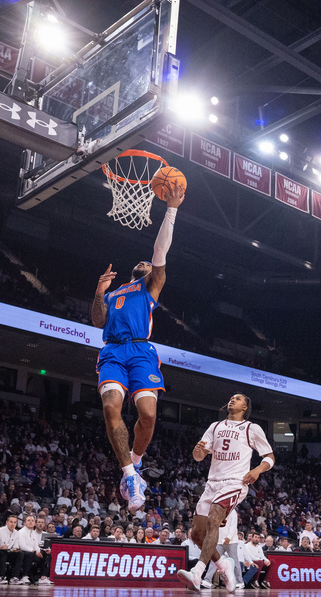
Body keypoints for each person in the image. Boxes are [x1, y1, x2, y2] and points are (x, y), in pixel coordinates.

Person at [91, 182, 186, 513]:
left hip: (141, 351)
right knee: (109, 407)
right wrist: (99, 291)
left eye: (152, 265)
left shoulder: (150, 286)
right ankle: (129, 476)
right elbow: (96, 320)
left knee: (148, 414)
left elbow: (161, 252)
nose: (149, 263)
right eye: (144, 263)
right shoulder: (116, 293)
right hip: (113, 351)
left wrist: (171, 209)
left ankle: (136, 461)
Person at [175, 394, 275, 593]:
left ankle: (197, 573)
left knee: (214, 519)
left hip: (235, 482)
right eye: (231, 398)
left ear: (245, 407)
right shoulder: (215, 426)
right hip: (212, 483)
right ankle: (223, 565)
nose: (232, 400)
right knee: (197, 535)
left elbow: (270, 457)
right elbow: (198, 456)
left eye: (237, 399)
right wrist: (199, 451)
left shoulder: (251, 428)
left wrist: (256, 470)